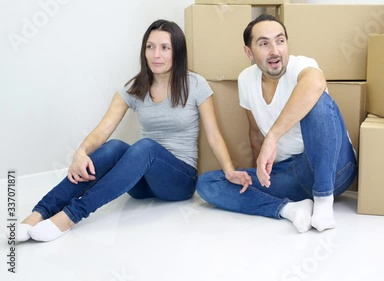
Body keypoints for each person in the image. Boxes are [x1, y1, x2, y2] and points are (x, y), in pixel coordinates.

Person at [14, 19, 251, 242]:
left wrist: (229, 170)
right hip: (141, 184)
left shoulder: (195, 84)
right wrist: (81, 151)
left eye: (164, 48)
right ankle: (39, 212)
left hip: (178, 181)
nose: (156, 54)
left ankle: (70, 217)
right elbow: (103, 129)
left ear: (177, 51)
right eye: (150, 46)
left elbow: (214, 136)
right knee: (115, 146)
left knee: (146, 147)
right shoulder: (135, 87)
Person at [196, 14, 357, 233]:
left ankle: (322, 201)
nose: (275, 50)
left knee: (317, 99)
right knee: (208, 183)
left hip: (335, 169)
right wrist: (259, 176)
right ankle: (290, 210)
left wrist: (272, 137)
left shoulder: (301, 65)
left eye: (280, 41)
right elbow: (254, 134)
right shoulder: (246, 79)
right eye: (264, 43)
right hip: (291, 175)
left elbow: (316, 82)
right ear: (249, 52)